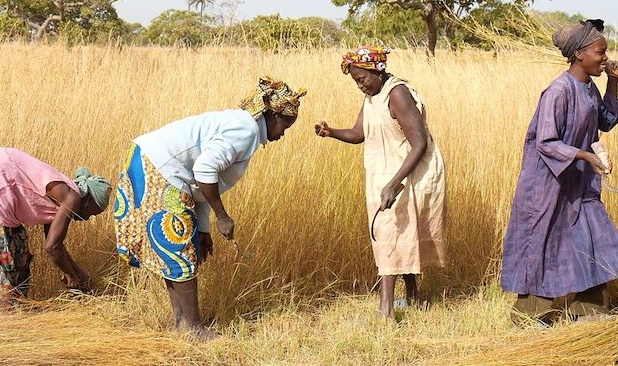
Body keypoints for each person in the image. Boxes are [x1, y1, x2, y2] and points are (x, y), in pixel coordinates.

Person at [114, 76, 305, 339]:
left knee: (174, 249)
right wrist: (222, 217)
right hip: (159, 168)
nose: (282, 135)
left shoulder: (240, 124)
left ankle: (182, 324)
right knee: (178, 247)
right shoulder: (245, 130)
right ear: (272, 116)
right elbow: (204, 171)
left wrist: (203, 229)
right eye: (285, 126)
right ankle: (194, 329)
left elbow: (199, 183)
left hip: (146, 159)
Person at [500, 19, 618, 326]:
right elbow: (546, 142)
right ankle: (530, 315)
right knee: (545, 240)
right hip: (549, 183)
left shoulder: (589, 87)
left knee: (592, 237)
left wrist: (613, 82)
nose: (605, 58)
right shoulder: (558, 91)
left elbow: (604, 120)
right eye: (600, 52)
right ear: (579, 54)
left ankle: (589, 311)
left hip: (579, 181)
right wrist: (585, 156)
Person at [315, 47, 446, 320]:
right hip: (384, 173)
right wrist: (331, 133)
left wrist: (394, 183)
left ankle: (386, 311)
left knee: (388, 233)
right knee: (401, 231)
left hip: (409, 174)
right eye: (355, 81)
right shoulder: (372, 97)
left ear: (378, 70)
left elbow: (419, 143)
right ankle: (412, 299)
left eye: (362, 78)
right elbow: (358, 133)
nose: (360, 85)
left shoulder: (397, 94)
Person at [0, 147, 111, 305]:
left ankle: (14, 313)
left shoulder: (63, 194)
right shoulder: (72, 198)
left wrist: (80, 275)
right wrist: (72, 277)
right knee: (10, 267)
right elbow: (51, 247)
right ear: (88, 200)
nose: (88, 218)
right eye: (93, 212)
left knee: (18, 256)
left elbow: (55, 243)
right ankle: (10, 320)